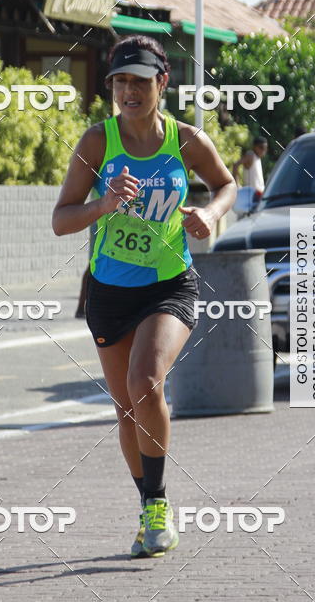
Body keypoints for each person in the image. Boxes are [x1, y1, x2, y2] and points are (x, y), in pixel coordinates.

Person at [52, 36, 236, 558]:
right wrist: (103, 205)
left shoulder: (186, 140)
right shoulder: (96, 142)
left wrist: (210, 214)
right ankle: (149, 506)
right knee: (125, 409)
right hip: (110, 289)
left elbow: (226, 186)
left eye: (139, 80)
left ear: (162, 82)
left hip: (170, 282)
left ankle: (157, 509)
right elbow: (61, 219)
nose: (129, 91)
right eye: (120, 82)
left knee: (145, 381)